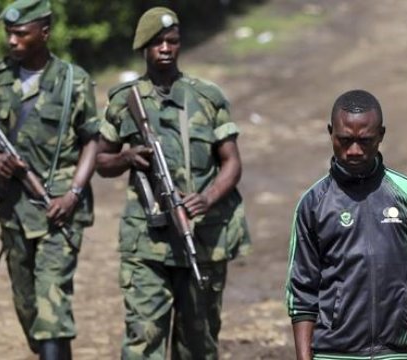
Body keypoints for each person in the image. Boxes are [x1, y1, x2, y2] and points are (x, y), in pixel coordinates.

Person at [95, 7, 251, 360]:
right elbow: (101, 160)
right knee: (143, 338)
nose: (165, 48)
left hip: (201, 238)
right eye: (157, 42)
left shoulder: (207, 97)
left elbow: (232, 162)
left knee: (198, 343)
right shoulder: (124, 101)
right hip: (146, 245)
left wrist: (207, 198)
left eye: (172, 41)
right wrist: (126, 158)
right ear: (143, 48)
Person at [0, 0, 100, 358]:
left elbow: (91, 141)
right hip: (13, 211)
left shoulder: (72, 82)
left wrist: (74, 194)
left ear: (44, 33)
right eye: (9, 33)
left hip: (57, 211)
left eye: (21, 33)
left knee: (52, 309)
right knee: (28, 307)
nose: (12, 41)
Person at [285, 89, 407, 360]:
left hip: (395, 353)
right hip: (333, 354)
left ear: (381, 135)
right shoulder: (313, 203)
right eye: (345, 140)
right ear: (330, 133)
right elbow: (302, 291)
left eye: (365, 141)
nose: (354, 151)